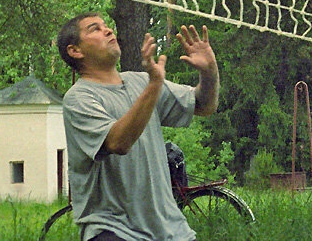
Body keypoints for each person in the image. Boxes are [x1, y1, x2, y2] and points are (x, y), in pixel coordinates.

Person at [56, 12, 219, 241]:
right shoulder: (78, 98)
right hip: (114, 230)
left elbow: (204, 105)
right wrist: (154, 85)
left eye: (106, 26)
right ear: (76, 50)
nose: (108, 30)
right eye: (95, 29)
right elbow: (118, 142)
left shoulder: (140, 81)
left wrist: (209, 71)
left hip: (172, 230)